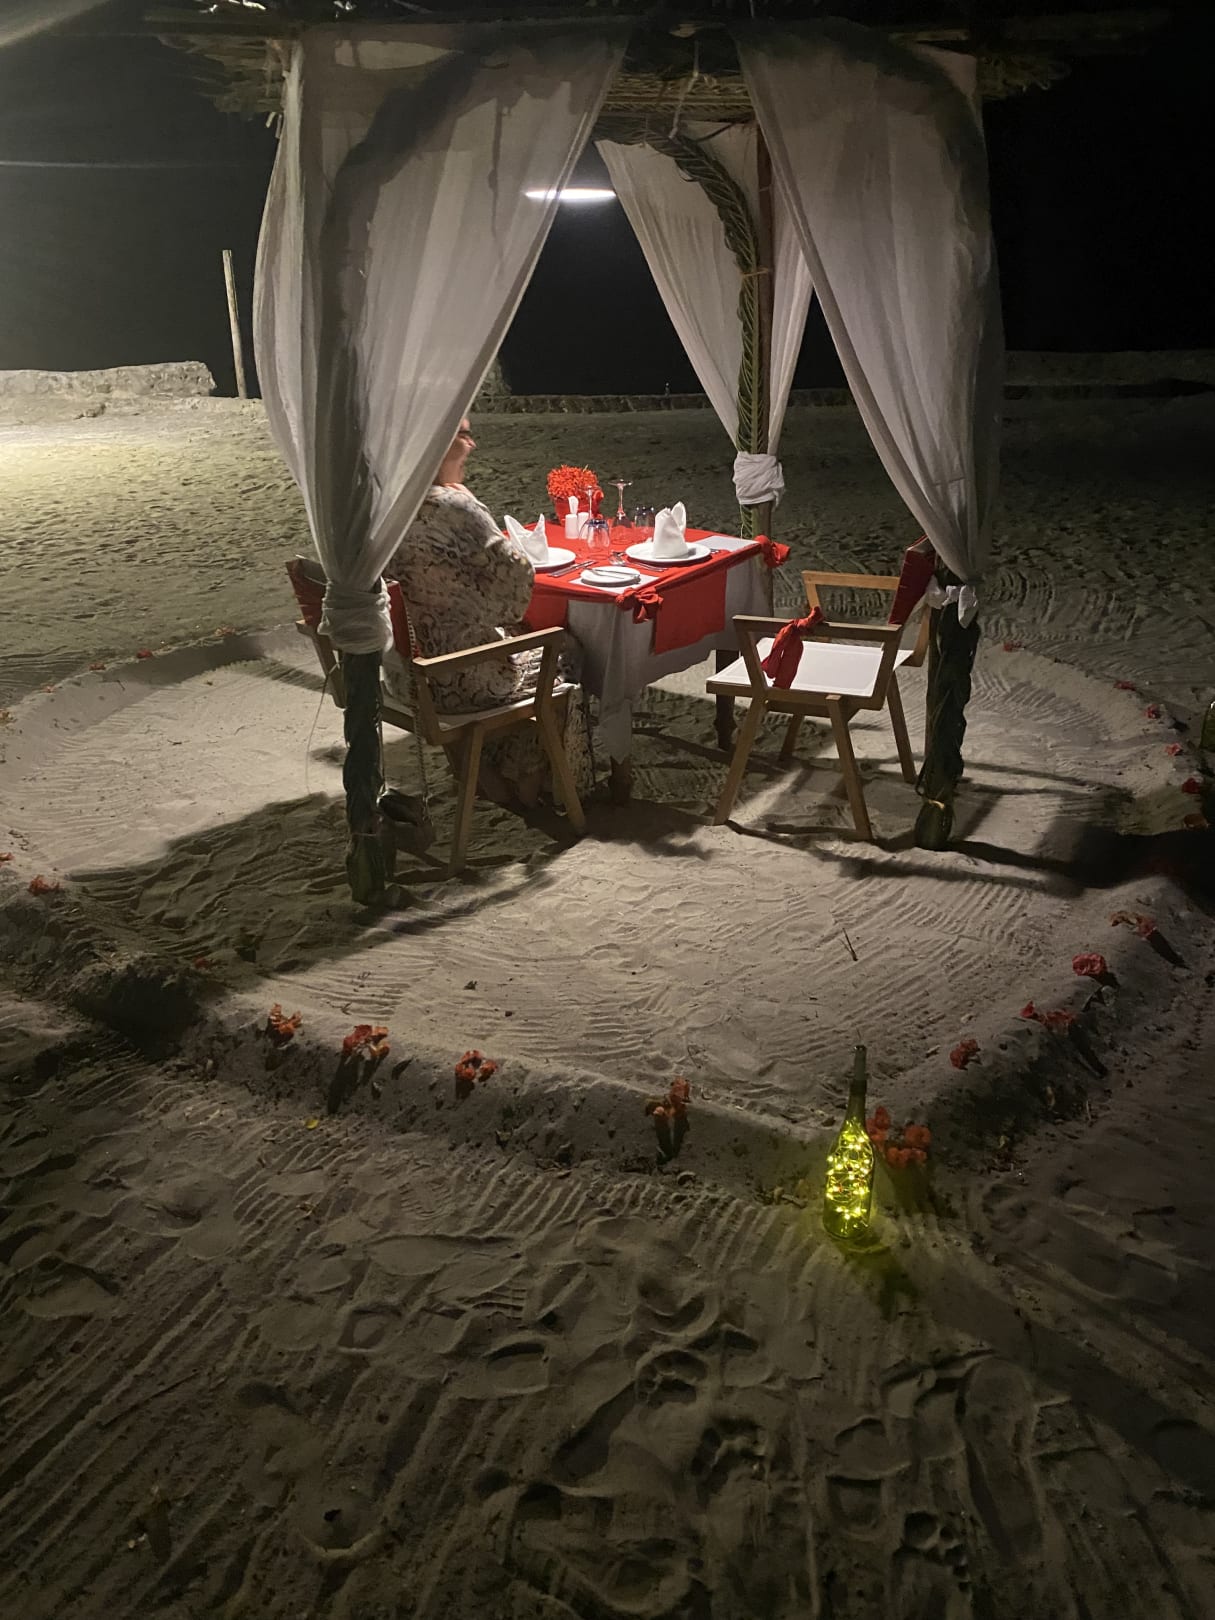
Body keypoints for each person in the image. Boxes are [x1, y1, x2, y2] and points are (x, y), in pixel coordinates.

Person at [382, 418, 591, 806]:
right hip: (455, 681)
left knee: (514, 641)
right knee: (565, 650)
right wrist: (472, 502)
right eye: (463, 434)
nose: (472, 444)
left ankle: (485, 772)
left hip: (405, 675)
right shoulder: (455, 505)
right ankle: (531, 779)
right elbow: (515, 587)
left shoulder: (388, 503)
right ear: (436, 444)